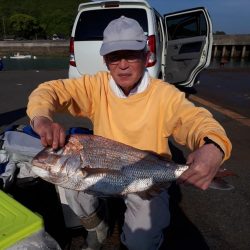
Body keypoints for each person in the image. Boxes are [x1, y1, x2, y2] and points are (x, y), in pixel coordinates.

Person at [27, 16, 232, 250]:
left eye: (132, 55)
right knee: (67, 185)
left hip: (148, 177)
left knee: (142, 241)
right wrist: (41, 118)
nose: (122, 64)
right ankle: (97, 227)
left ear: (146, 57)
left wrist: (213, 146)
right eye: (114, 57)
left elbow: (196, 120)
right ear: (105, 60)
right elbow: (49, 91)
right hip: (102, 169)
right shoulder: (95, 86)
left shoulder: (166, 95)